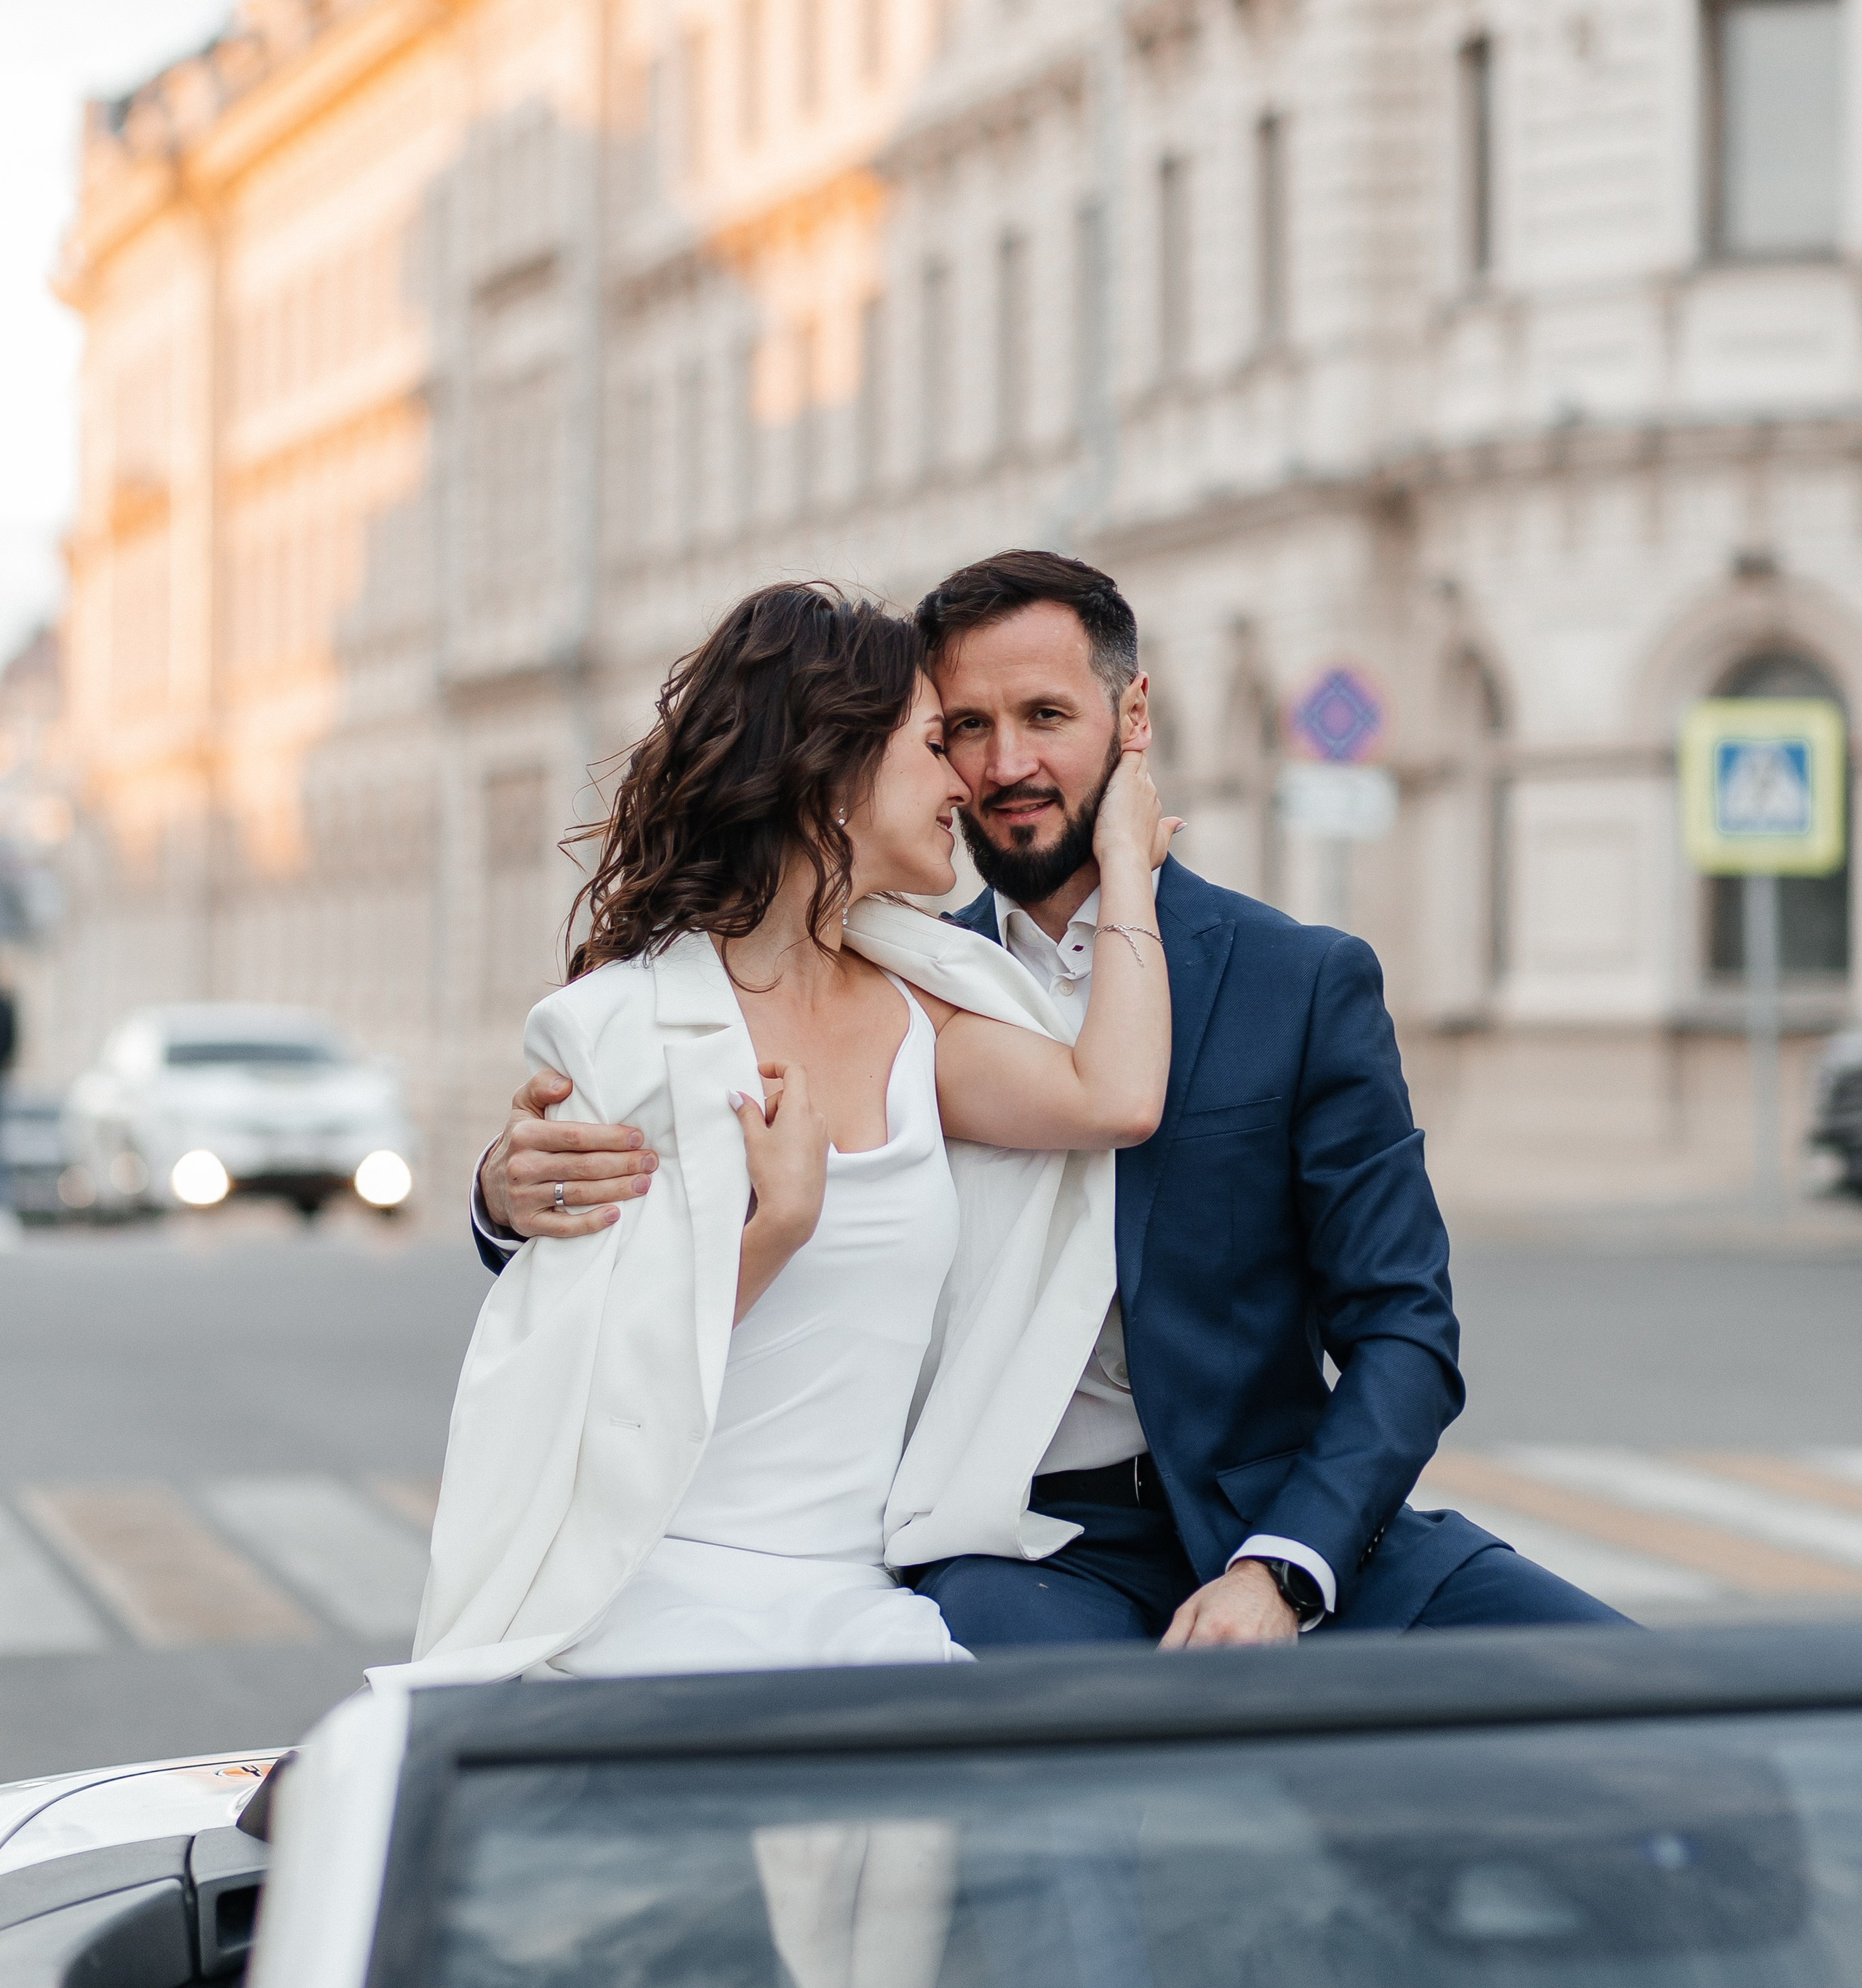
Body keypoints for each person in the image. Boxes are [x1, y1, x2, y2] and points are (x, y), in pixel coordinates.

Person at [479, 550, 1626, 1645]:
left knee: (1659, 1711)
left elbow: (1405, 1331)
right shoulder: (896, 987)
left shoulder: (1301, 981)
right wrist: (503, 1193)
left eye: (1045, 717)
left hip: (1279, 1515)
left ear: (1131, 724)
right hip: (1019, 1545)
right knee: (1058, 1809)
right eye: (963, 730)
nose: (1002, 765)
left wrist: (1284, 1565)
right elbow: (647, 1198)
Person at [402, 580, 1173, 1689]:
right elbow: (586, 1390)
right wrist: (778, 1230)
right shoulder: (626, 1028)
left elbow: (1115, 1097)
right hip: (653, 1591)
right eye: (930, 742)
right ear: (836, 772)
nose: (966, 777)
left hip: (854, 1598)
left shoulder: (928, 1010)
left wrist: (1130, 866)